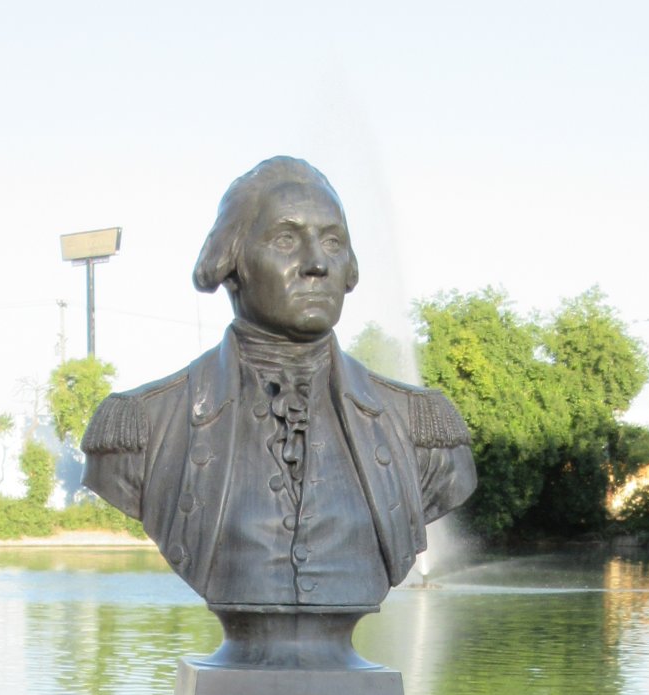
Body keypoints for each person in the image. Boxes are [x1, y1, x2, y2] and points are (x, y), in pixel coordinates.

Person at [81, 158, 475, 620]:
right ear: (230, 262)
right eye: (286, 240)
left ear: (350, 268)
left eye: (333, 242)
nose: (315, 264)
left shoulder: (421, 426)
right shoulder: (145, 424)